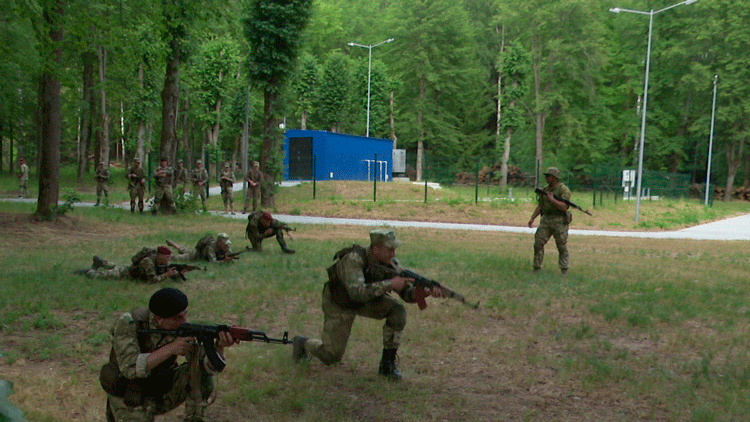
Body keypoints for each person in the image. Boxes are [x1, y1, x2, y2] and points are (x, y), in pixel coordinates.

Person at [291, 229, 446, 381]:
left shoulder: (391, 263)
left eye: (394, 249)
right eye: (389, 249)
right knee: (331, 356)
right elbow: (356, 293)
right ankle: (302, 343)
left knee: (397, 310)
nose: (393, 254)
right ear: (376, 249)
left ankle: (387, 366)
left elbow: (407, 294)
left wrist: (424, 292)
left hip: (366, 299)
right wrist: (389, 284)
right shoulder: (353, 259)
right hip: (339, 302)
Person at [102, 287, 240, 422]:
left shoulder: (181, 329)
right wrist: (171, 349)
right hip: (129, 394)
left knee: (202, 376)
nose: (184, 321)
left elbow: (207, 367)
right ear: (159, 319)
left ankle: (195, 418)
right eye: (178, 317)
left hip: (159, 388)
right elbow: (130, 368)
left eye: (185, 314)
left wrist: (220, 347)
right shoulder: (129, 323)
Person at [527, 167, 571, 274]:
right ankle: (537, 267)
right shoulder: (545, 190)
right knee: (538, 243)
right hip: (546, 219)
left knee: (561, 245)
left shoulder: (563, 190)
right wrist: (533, 218)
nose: (546, 178)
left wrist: (553, 201)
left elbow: (565, 207)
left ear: (554, 177)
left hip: (559, 220)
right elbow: (540, 205)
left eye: (548, 176)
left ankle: (564, 269)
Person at [74, 246, 187, 283]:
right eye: (167, 257)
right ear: (160, 256)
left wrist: (179, 274)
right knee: (99, 276)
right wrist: (166, 275)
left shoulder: (162, 263)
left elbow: (172, 277)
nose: (169, 260)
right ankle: (86, 271)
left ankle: (101, 262)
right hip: (124, 275)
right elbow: (151, 280)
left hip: (127, 270)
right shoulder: (148, 262)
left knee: (115, 266)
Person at [167, 233, 235, 263]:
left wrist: (230, 258)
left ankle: (175, 246)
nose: (226, 246)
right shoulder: (211, 247)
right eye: (224, 243)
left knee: (187, 251)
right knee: (179, 258)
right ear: (219, 242)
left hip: (198, 252)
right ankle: (166, 256)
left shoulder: (226, 247)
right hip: (197, 255)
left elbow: (230, 255)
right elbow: (213, 262)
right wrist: (224, 261)